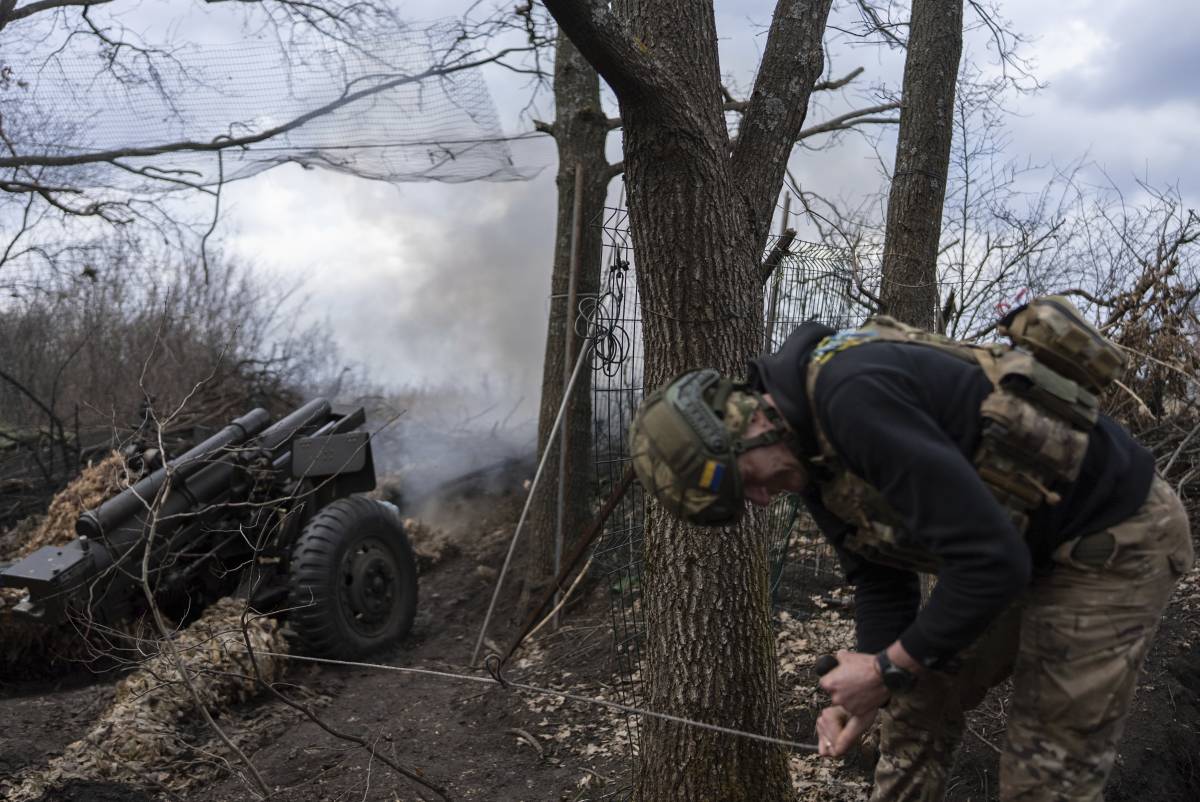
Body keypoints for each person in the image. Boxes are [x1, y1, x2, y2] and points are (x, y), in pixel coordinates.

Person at [627, 302, 1193, 802]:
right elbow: (881, 578)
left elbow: (993, 563)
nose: (758, 499)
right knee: (912, 708)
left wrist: (885, 668)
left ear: (747, 423)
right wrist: (871, 686)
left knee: (1045, 772)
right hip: (1012, 543)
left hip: (1113, 539)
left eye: (743, 482)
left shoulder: (852, 398)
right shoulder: (807, 455)